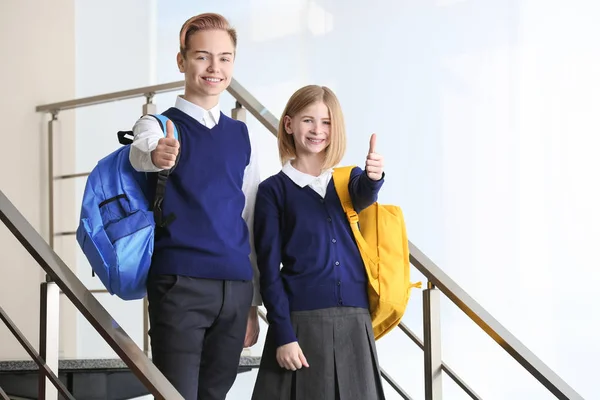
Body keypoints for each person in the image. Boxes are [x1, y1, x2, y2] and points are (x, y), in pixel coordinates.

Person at [128, 12, 261, 400]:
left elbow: (248, 217)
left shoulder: (242, 135)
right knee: (175, 395)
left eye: (224, 57)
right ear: (182, 60)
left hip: (235, 289)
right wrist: (158, 154)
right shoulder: (158, 125)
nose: (214, 67)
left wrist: (252, 302)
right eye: (202, 56)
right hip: (179, 285)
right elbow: (142, 152)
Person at [251, 85, 387, 400]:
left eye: (326, 122)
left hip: (355, 320)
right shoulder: (274, 191)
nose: (318, 130)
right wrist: (283, 334)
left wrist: (374, 177)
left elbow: (364, 194)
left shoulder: (348, 179)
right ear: (288, 124)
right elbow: (268, 271)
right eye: (308, 120)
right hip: (301, 323)